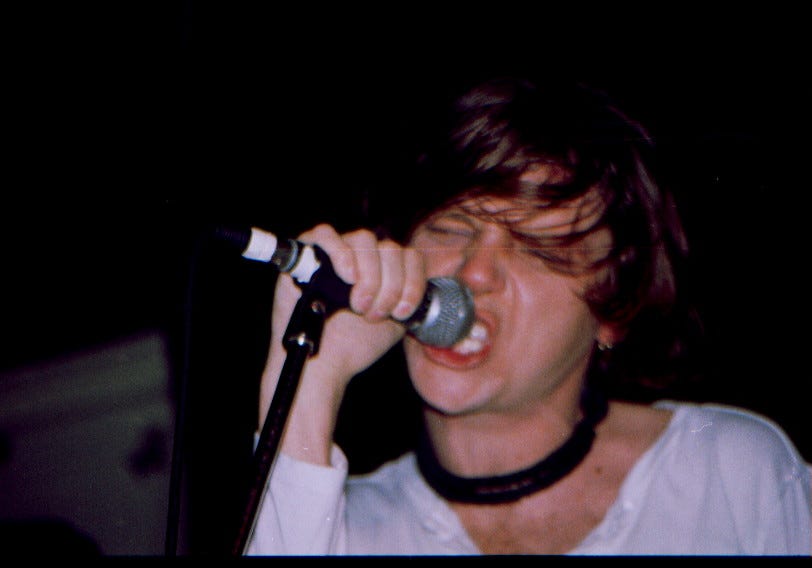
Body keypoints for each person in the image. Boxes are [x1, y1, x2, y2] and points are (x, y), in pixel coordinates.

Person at [243, 76, 811, 555]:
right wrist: (310, 379)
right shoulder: (342, 529)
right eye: (452, 228)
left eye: (538, 248)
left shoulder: (729, 475)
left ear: (612, 310)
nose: (474, 272)